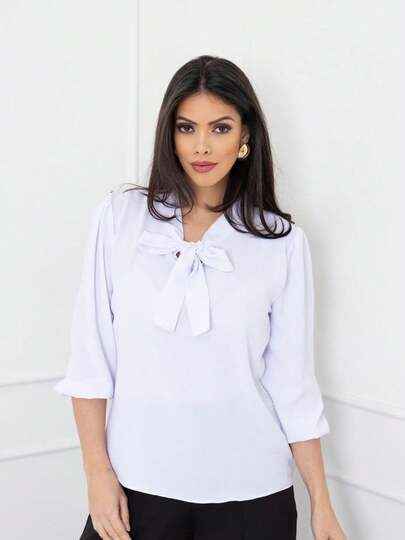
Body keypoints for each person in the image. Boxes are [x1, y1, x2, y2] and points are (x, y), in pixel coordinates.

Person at [54, 55, 347, 540]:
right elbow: (91, 358)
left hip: (253, 492)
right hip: (136, 486)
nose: (202, 146)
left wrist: (321, 503)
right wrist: (96, 473)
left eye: (221, 128)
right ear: (169, 134)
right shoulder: (121, 218)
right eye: (187, 127)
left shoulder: (282, 242)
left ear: (245, 136)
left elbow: (292, 383)